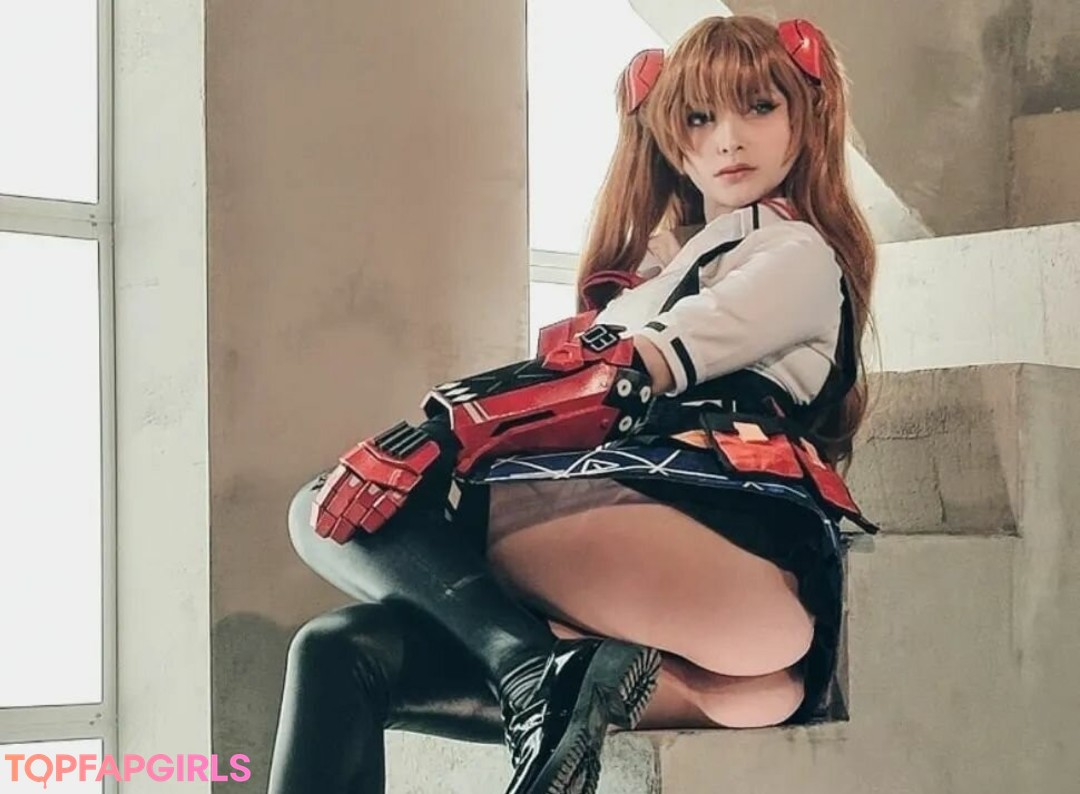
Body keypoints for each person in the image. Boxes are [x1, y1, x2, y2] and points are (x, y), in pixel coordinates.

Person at [268, 15, 880, 794]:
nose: (729, 139)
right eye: (699, 117)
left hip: (724, 558)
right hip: (708, 652)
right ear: (669, 136)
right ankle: (542, 670)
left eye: (759, 107)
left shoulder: (793, 251)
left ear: (805, 115)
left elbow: (623, 376)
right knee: (338, 650)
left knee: (329, 502)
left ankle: (529, 669)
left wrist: (440, 433)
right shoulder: (663, 268)